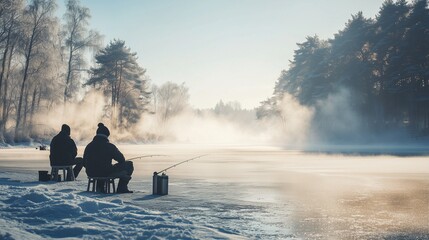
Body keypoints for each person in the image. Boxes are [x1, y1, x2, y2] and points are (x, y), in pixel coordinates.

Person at [84, 123, 134, 193]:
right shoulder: (110, 146)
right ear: (106, 136)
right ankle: (121, 188)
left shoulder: (89, 146)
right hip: (105, 172)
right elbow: (121, 159)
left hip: (90, 172)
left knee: (101, 167)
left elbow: (84, 162)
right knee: (129, 164)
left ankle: (100, 187)